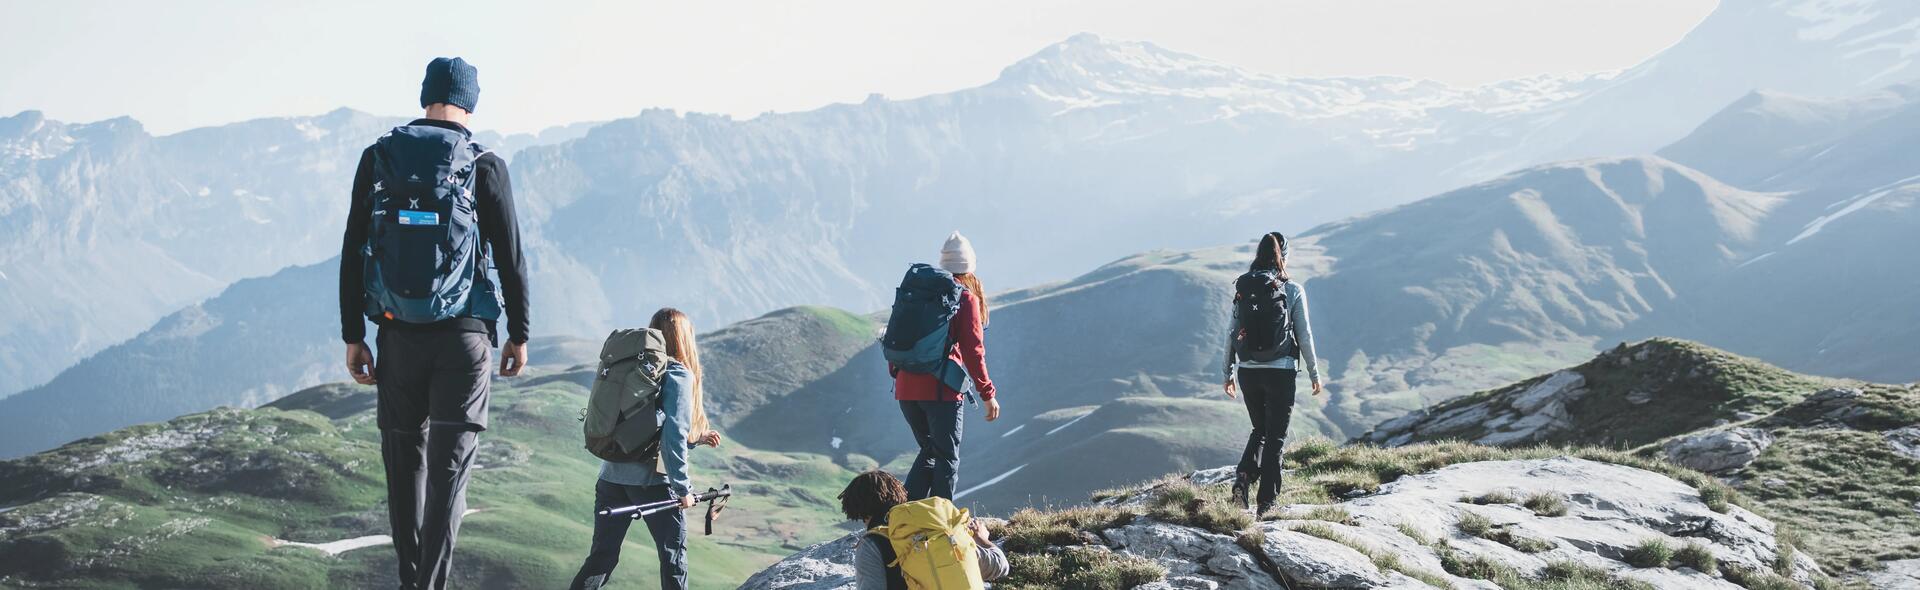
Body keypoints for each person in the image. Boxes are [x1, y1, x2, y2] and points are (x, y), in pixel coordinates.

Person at [339, 56, 531, 590]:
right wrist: (519, 333)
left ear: (425, 96)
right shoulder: (484, 163)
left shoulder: (380, 157)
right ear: (471, 102)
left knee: (406, 469)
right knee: (449, 476)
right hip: (465, 341)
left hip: (398, 334)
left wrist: (354, 335)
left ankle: (408, 582)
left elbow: (354, 248)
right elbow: (512, 258)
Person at [570, 308, 723, 590]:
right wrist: (683, 490)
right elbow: (673, 435)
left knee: (601, 558)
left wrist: (696, 440)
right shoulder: (677, 372)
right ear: (685, 338)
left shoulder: (636, 367)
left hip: (611, 478)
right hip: (651, 483)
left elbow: (645, 427)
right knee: (673, 560)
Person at [892, 232, 1000, 501]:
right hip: (940, 392)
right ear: (969, 267)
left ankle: (903, 516)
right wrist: (988, 394)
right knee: (946, 459)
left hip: (905, 389)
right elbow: (973, 352)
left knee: (929, 451)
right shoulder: (964, 298)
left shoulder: (917, 292)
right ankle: (942, 523)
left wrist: (901, 375)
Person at [1223, 232, 1321, 516]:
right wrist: (1314, 372)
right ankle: (1266, 504)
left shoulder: (1243, 287)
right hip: (1280, 373)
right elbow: (1304, 334)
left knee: (1260, 430)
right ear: (1284, 257)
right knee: (1275, 436)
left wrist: (1227, 373)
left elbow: (1231, 333)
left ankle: (1243, 476)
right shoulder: (1292, 289)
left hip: (1248, 372)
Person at [840, 470, 1009, 589]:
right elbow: (1000, 566)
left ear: (860, 512)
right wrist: (982, 538)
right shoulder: (940, 532)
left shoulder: (872, 545)